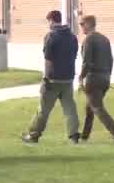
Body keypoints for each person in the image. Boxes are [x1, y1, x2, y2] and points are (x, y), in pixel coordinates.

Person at [22, 9, 81, 144]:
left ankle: (33, 134)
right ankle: (73, 134)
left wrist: (46, 77)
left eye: (48, 21)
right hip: (68, 78)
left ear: (51, 20)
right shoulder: (72, 36)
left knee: (44, 108)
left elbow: (48, 59)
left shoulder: (51, 36)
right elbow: (74, 55)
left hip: (53, 78)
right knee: (69, 107)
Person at [76, 14, 114, 144]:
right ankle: (85, 136)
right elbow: (111, 60)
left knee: (97, 107)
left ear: (89, 24)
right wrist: (108, 75)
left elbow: (87, 62)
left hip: (93, 79)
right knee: (89, 107)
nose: (81, 27)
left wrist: (81, 77)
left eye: (82, 24)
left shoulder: (89, 40)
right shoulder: (104, 39)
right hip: (105, 77)